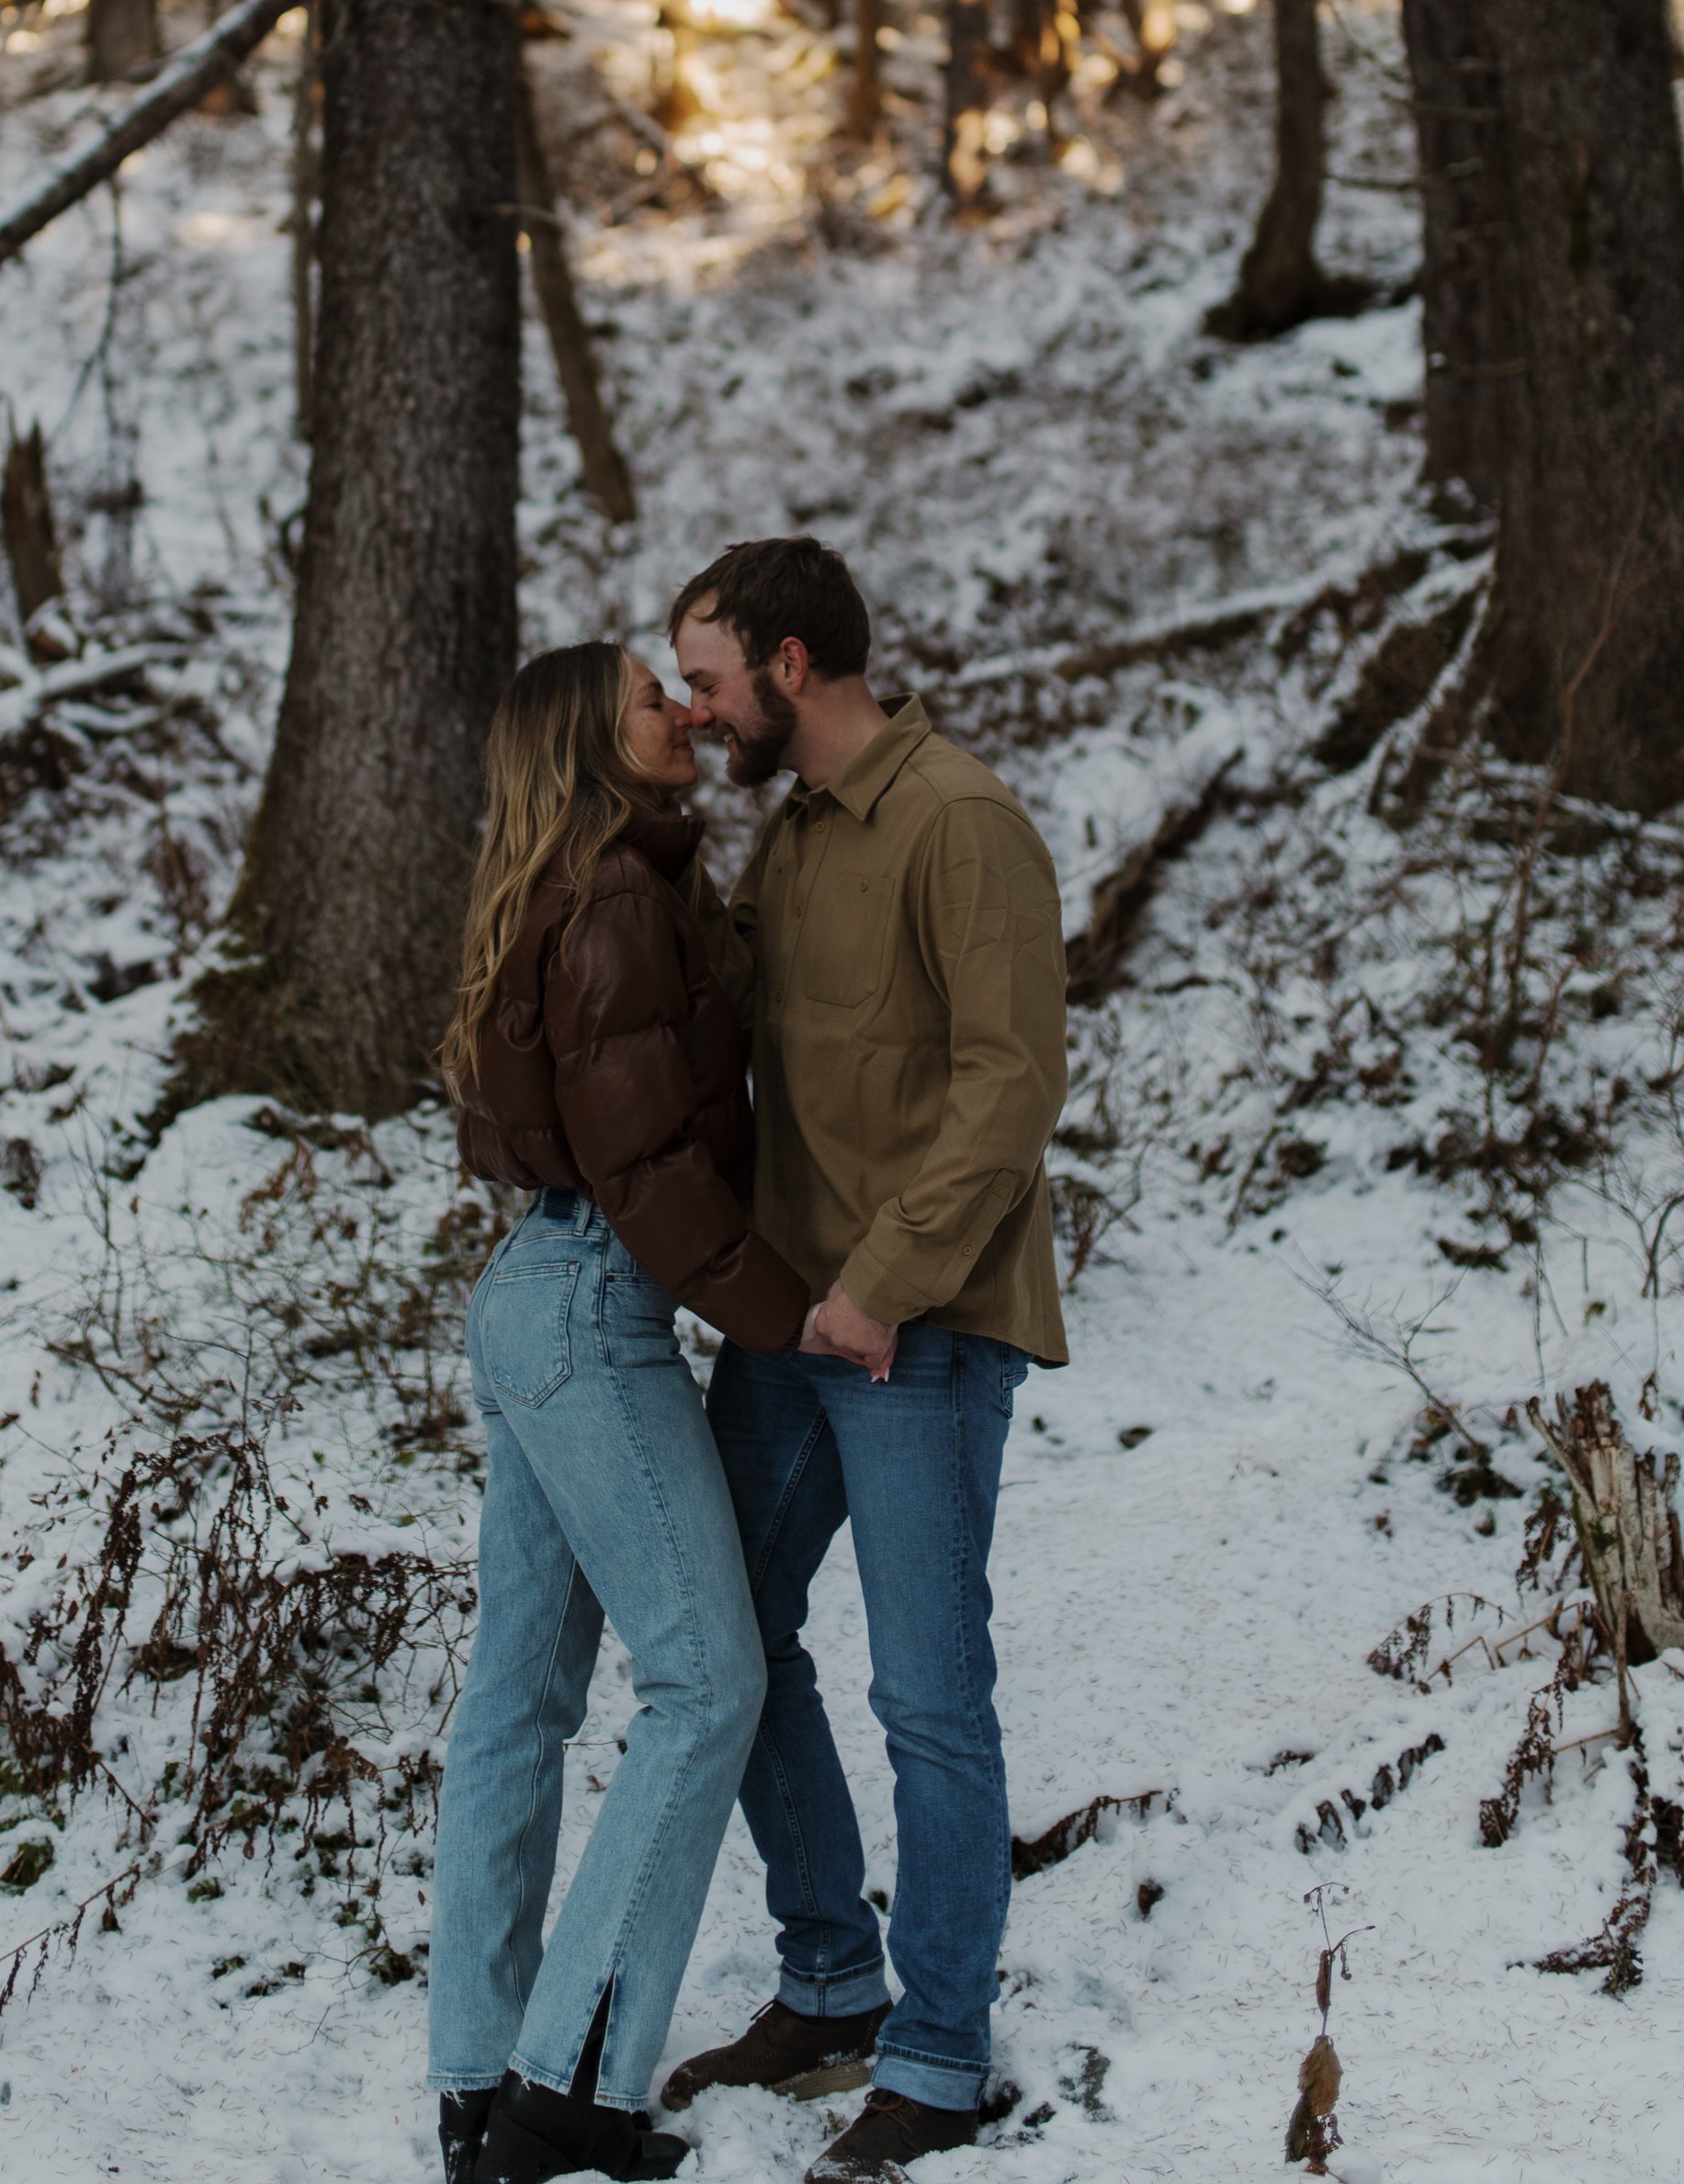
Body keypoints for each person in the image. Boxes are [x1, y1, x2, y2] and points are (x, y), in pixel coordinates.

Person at [661, 538, 1069, 2184]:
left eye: (706, 678)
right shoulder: (797, 828)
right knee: (730, 1643)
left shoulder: (959, 822)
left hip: (920, 1330)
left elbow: (1009, 1086)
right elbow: (736, 1001)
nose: (697, 709)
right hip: (791, 1321)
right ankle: (829, 1975)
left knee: (929, 1698)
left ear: (790, 661)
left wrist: (888, 1286)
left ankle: (943, 2051)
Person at [428, 641, 813, 2184]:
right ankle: (563, 2087)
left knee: (517, 1702)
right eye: (657, 701)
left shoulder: (556, 886)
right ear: (599, 744)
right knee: (708, 1681)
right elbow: (651, 1175)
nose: (686, 711)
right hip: (591, 1309)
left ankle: (475, 2081)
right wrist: (799, 1318)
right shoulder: (623, 906)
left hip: (530, 1291)